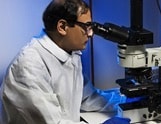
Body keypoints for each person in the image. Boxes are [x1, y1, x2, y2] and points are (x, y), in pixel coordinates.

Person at [0, 0, 130, 123]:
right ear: (62, 27)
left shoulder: (70, 53)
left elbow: (87, 99)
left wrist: (128, 100)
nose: (90, 34)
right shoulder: (29, 67)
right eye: (86, 26)